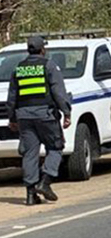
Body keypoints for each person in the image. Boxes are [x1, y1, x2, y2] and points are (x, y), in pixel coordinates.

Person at [7, 36, 72, 206]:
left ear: (28, 50)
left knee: (30, 154)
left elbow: (12, 97)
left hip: (24, 117)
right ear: (43, 49)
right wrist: (66, 112)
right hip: (46, 115)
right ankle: (45, 182)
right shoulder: (49, 66)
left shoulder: (18, 68)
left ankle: (30, 195)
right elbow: (58, 92)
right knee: (56, 148)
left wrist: (12, 118)